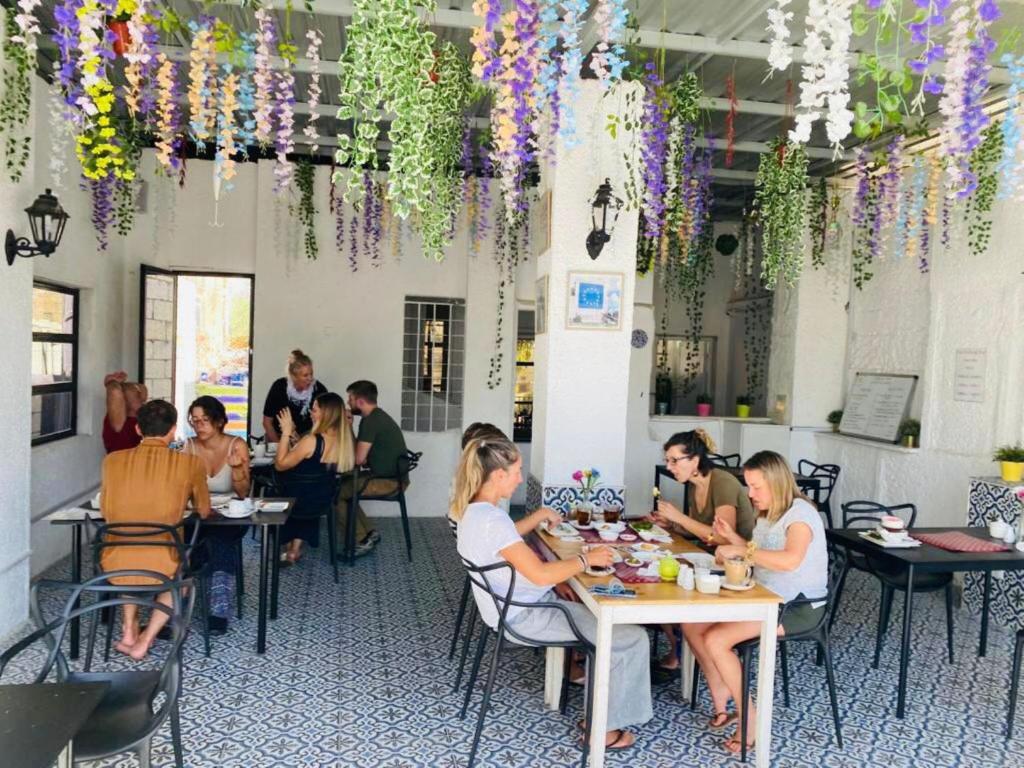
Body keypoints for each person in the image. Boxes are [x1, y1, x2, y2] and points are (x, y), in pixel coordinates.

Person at [452, 436, 652, 751]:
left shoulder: (473, 513)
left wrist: (562, 562)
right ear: (499, 475)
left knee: (584, 601)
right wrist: (586, 560)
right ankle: (602, 731)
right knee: (631, 637)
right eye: (516, 472)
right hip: (526, 616)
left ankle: (598, 709)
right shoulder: (492, 520)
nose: (520, 479)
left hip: (511, 609)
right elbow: (540, 574)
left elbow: (510, 544)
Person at [693, 451, 828, 754]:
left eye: (756, 487)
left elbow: (789, 560)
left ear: (777, 483)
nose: (750, 494)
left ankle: (750, 718)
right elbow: (759, 554)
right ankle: (724, 691)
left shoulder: (800, 515)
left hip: (797, 608)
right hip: (764, 597)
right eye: (749, 486)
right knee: (694, 622)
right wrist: (732, 538)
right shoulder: (767, 513)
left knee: (716, 639)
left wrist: (741, 552)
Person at [99, 399, 211, 660]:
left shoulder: (112, 461)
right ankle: (145, 639)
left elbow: (105, 510)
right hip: (165, 562)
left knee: (130, 554)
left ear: (138, 429)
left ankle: (128, 631)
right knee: (182, 579)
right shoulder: (191, 463)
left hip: (113, 559)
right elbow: (204, 511)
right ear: (173, 430)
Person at [651, 429, 757, 671]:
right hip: (708, 558)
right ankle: (678, 647)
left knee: (669, 586)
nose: (669, 467)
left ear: (695, 460)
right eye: (667, 460)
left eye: (674, 460)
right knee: (658, 578)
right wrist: (672, 524)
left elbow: (721, 536)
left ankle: (682, 650)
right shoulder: (693, 485)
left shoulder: (722, 482)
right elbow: (699, 531)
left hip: (736, 566)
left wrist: (679, 517)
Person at [179, 396, 250, 633]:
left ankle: (218, 610)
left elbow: (243, 493)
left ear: (219, 421)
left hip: (228, 516)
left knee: (220, 542)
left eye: (205, 420)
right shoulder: (188, 447)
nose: (199, 426)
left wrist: (237, 469)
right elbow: (181, 489)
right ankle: (173, 610)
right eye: (195, 420)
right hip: (196, 514)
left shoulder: (236, 445)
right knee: (183, 544)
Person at [274, 392, 354, 564]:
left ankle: (287, 546)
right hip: (323, 500)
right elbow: (310, 457)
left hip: (295, 501)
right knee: (307, 492)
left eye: (315, 409)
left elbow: (280, 465)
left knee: (275, 487)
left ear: (326, 414)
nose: (311, 412)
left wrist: (285, 433)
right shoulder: (342, 440)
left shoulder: (312, 440)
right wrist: (295, 434)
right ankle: (294, 550)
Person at [337, 380, 408, 556]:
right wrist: (349, 426)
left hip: (389, 482)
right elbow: (360, 454)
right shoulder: (376, 417)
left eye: (350, 399)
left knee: (335, 494)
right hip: (392, 478)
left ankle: (361, 540)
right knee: (343, 487)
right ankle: (369, 532)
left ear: (360, 401)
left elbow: (358, 459)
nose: (348, 403)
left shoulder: (371, 422)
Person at [261, 349, 328, 443]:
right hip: (278, 437)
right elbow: (267, 422)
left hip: (308, 438)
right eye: (305, 375)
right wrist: (279, 446)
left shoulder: (319, 389)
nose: (310, 378)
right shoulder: (279, 387)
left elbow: (326, 422)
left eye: (311, 374)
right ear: (293, 376)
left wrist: (305, 444)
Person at [102, 371, 148, 453]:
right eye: (138, 397)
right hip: (123, 460)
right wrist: (111, 382)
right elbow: (115, 391)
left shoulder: (141, 418)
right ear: (125, 401)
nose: (143, 402)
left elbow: (143, 389)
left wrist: (121, 382)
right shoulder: (118, 421)